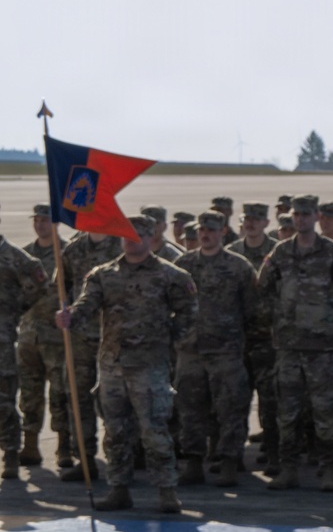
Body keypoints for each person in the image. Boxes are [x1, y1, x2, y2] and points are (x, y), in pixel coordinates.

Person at [55, 213, 197, 512]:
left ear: (149, 238)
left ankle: (167, 492)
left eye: (137, 236)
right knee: (116, 432)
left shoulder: (170, 275)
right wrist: (70, 317)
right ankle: (118, 488)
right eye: (127, 235)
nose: (131, 241)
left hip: (149, 368)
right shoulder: (103, 274)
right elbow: (86, 305)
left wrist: (168, 338)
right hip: (113, 367)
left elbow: (189, 312)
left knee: (154, 431)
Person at [257, 194, 333, 492]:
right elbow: (262, 287)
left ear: (315, 216)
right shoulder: (280, 252)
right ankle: (288, 468)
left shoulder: (331, 252)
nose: (301, 219)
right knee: (287, 412)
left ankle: (329, 467)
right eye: (297, 215)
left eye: (306, 214)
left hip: (322, 349)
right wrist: (277, 319)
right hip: (289, 347)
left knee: (325, 411)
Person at [174, 211, 258, 486]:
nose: (205, 234)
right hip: (191, 350)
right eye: (202, 230)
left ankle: (230, 462)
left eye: (211, 230)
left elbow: (250, 309)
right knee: (190, 408)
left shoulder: (239, 267)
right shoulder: (183, 265)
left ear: (223, 232)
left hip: (226, 351)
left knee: (230, 409)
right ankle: (194, 462)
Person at [59, 228, 122, 480]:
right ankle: (84, 459)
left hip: (113, 338)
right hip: (80, 338)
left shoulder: (122, 247)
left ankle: (120, 459)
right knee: (78, 397)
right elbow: (62, 286)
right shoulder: (73, 249)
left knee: (114, 401)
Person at [16, 203, 70, 469]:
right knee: (29, 392)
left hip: (58, 338)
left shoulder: (68, 254)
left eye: (44, 219)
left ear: (55, 223)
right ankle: (30, 444)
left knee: (61, 393)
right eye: (36, 219)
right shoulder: (24, 256)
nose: (39, 224)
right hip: (28, 337)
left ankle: (64, 446)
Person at [228, 202, 279, 473]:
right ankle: (233, 456)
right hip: (238, 341)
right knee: (236, 401)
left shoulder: (277, 252)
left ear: (265, 223)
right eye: (247, 218)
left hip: (268, 341)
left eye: (257, 219)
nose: (251, 223)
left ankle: (273, 455)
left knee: (270, 403)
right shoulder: (232, 254)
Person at [0, 211, 47, 481]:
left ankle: (10, 453)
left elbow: (42, 283)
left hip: (3, 341)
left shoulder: (15, 257)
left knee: (4, 401)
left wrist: (18, 309)